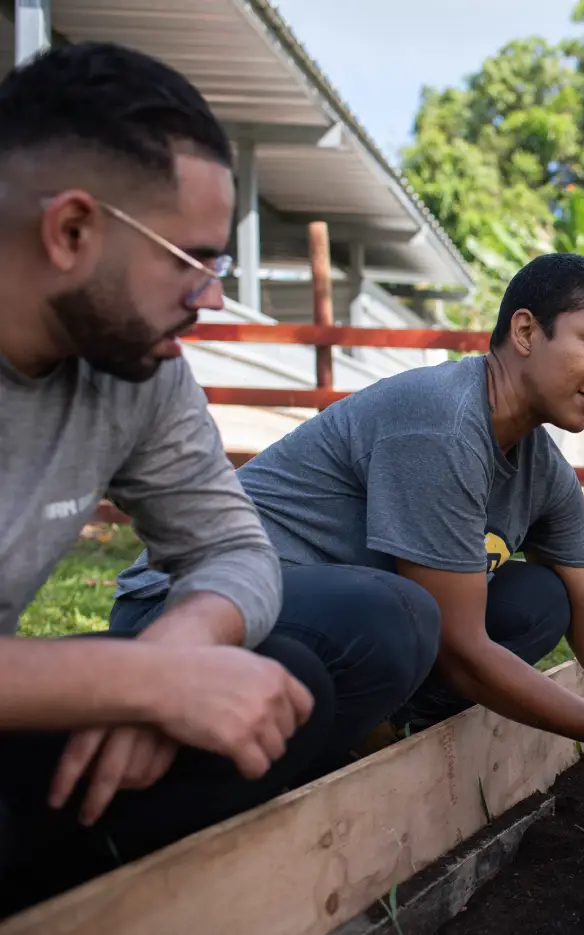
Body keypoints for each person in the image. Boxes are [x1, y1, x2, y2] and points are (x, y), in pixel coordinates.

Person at [111, 252, 584, 789]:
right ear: (525, 331)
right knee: (401, 612)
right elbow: (461, 650)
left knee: (539, 599)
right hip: (184, 613)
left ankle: (374, 735)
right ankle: (297, 769)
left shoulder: (542, 469)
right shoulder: (439, 422)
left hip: (330, 624)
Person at [0, 42, 341, 915]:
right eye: (192, 260)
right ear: (71, 230)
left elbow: (232, 545)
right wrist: (144, 684)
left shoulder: (137, 370)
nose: (213, 298)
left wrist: (177, 647)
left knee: (283, 681)